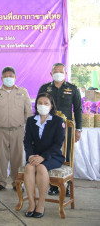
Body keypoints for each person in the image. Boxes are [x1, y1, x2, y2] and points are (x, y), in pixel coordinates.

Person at [37, 62, 82, 196]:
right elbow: (38, 107)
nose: (58, 73)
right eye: (56, 71)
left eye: (61, 71)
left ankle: (67, 185)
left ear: (65, 73)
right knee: (50, 154)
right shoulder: (45, 88)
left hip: (66, 128)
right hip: (48, 128)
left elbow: (78, 109)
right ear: (51, 73)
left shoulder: (73, 89)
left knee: (67, 155)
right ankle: (53, 185)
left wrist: (78, 129)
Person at [0, 66, 32, 192]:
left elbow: (28, 112)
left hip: (18, 130)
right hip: (0, 130)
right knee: (0, 157)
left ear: (15, 77)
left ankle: (17, 181)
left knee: (17, 157)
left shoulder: (22, 92)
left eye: (11, 76)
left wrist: (30, 130)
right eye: (6, 76)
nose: (8, 78)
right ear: (1, 78)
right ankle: (1, 182)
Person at [23, 93, 65, 218]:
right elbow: (27, 141)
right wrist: (30, 155)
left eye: (46, 103)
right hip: (35, 156)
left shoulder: (58, 121)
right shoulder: (31, 120)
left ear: (51, 106)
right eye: (40, 103)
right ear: (36, 105)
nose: (42, 105)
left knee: (41, 167)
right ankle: (31, 203)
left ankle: (41, 204)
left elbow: (58, 143)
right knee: (29, 167)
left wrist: (43, 157)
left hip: (53, 156)